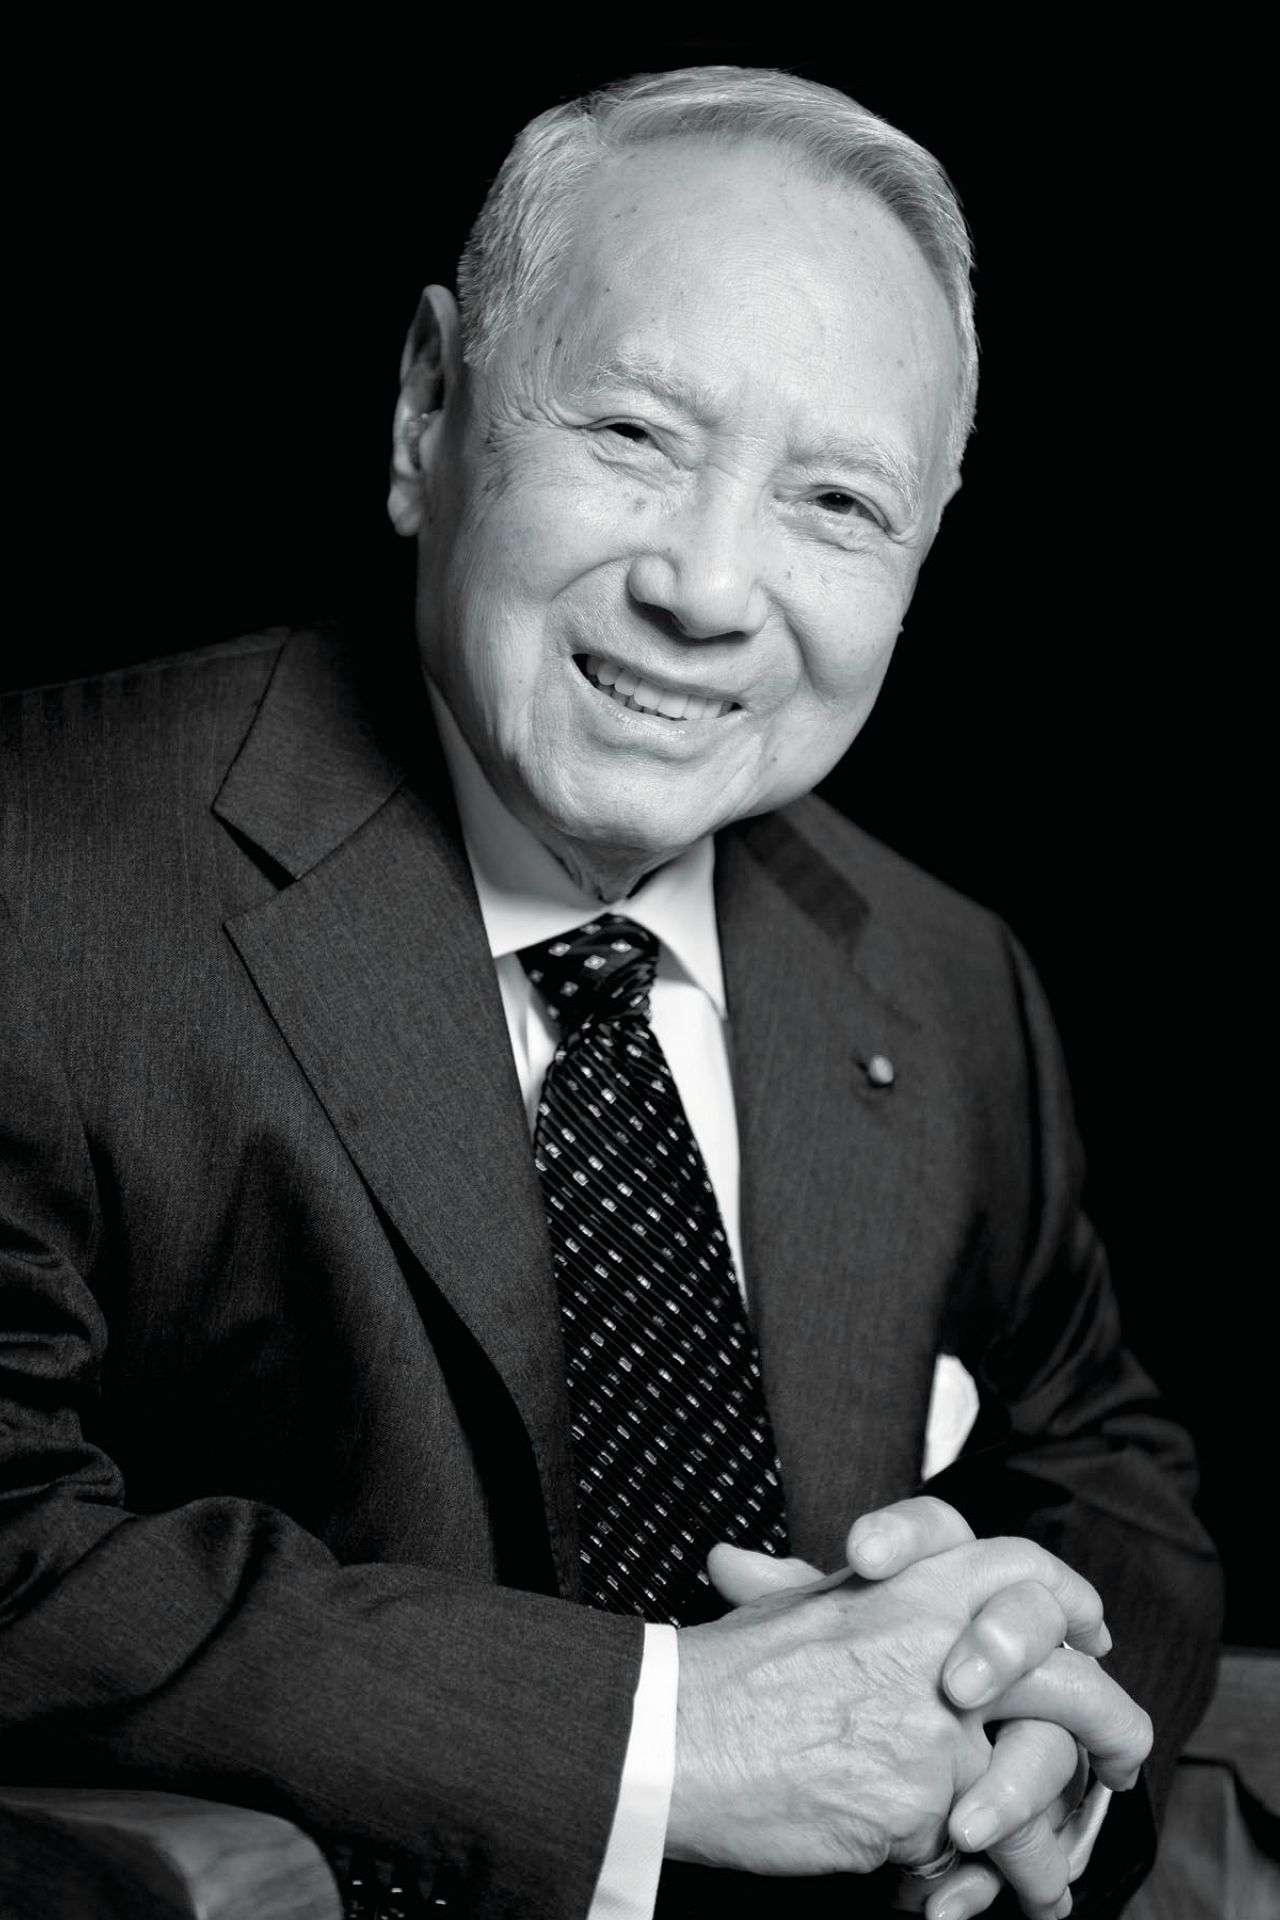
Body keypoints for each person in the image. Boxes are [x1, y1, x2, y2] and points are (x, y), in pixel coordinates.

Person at [0, 65, 1220, 1920]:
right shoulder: (44, 871)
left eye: (837, 501)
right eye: (637, 434)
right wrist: (663, 1737)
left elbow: (1110, 1469)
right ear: (427, 407)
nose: (710, 590)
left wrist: (1027, 1715)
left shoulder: (946, 974)